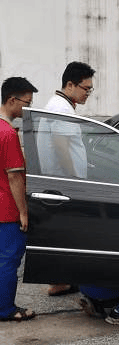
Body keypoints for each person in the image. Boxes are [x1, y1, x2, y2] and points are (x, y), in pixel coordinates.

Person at [39, 61, 95, 297]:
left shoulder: (58, 105)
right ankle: (59, 282)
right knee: (65, 236)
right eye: (86, 88)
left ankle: (60, 281)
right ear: (70, 85)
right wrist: (74, 180)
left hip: (57, 183)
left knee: (59, 235)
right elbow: (62, 148)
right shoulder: (61, 110)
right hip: (64, 184)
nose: (88, 94)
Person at [1, 77, 38, 321]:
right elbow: (15, 179)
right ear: (12, 100)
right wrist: (23, 212)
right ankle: (5, 309)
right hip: (7, 209)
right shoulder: (9, 135)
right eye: (27, 102)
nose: (28, 108)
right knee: (8, 261)